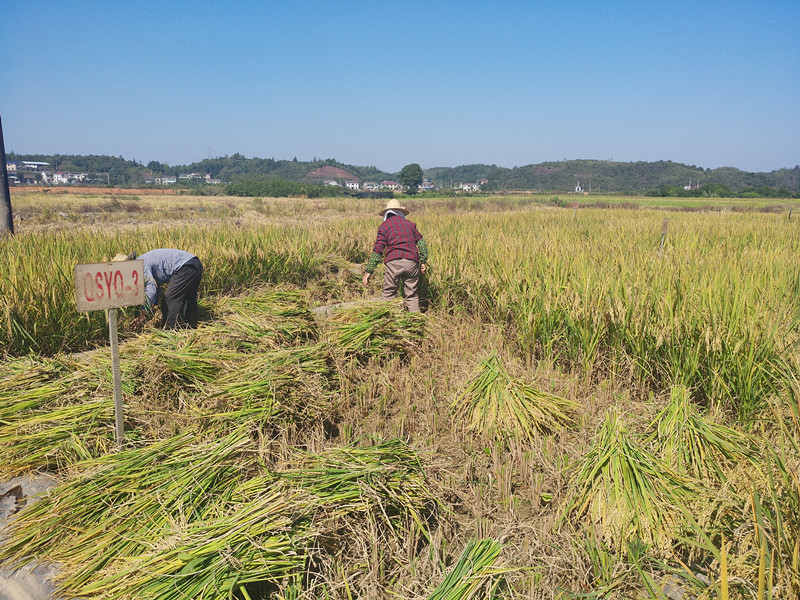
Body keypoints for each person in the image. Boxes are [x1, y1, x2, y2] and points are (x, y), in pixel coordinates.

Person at [363, 198, 428, 312]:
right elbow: (421, 242)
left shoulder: (384, 227)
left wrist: (369, 271)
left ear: (387, 214)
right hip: (411, 262)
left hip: (394, 263)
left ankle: (388, 322)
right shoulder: (410, 224)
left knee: (388, 294)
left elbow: (378, 249)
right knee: (412, 296)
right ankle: (416, 324)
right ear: (400, 212)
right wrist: (423, 261)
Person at [115, 249, 203, 329]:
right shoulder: (142, 262)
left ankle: (169, 331)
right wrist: (154, 303)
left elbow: (151, 290)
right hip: (195, 263)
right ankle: (190, 326)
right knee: (188, 297)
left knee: (169, 299)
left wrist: (144, 312)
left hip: (185, 266)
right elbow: (156, 286)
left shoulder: (140, 266)